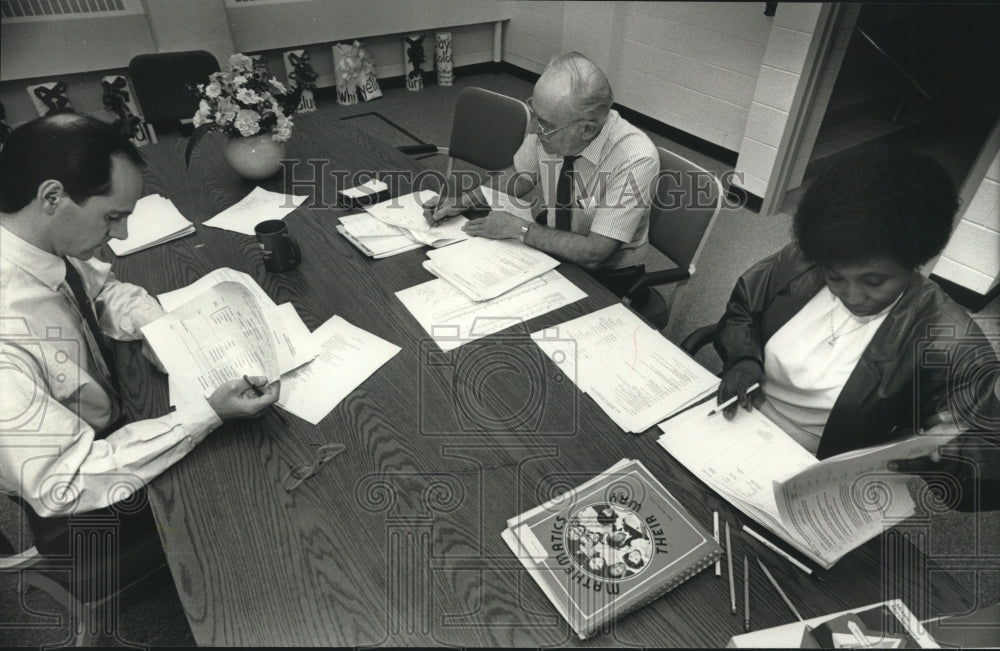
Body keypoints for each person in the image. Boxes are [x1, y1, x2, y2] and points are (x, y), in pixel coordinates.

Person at [0, 114, 280, 555]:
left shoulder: (34, 241)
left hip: (111, 416)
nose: (122, 235)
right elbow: (65, 481)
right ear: (52, 196)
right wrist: (206, 415)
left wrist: (158, 329)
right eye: (112, 217)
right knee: (260, 506)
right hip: (84, 489)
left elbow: (100, 290)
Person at [713, 145, 999, 511]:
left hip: (813, 469)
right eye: (835, 276)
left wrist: (947, 459)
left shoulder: (948, 339)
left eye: (874, 281)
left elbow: (982, 477)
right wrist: (742, 359)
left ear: (916, 262)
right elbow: (742, 309)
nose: (852, 295)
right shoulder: (802, 259)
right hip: (737, 420)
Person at [424, 52, 659, 297]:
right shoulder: (551, 131)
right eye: (534, 114)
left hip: (607, 277)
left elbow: (594, 253)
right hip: (552, 249)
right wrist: (462, 202)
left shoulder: (635, 159)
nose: (533, 129)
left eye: (544, 123)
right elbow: (519, 176)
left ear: (587, 130)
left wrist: (519, 229)